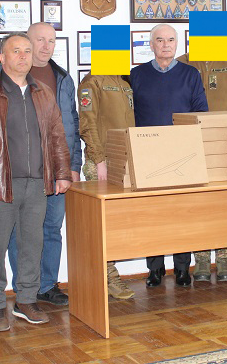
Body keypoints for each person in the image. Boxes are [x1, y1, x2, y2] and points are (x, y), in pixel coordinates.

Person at [0, 33, 72, 331]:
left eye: (27, 51)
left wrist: (62, 173)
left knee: (32, 245)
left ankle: (26, 300)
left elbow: (57, 136)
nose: (23, 56)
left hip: (37, 184)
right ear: (2, 57)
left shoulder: (43, 93)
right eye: (16, 51)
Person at [0, 22, 82, 306]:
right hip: (23, 170)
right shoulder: (2, 78)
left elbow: (72, 123)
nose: (46, 46)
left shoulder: (63, 78)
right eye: (39, 40)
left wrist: (73, 165)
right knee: (20, 232)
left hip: (57, 169)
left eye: (51, 41)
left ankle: (47, 285)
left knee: (52, 229)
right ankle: (25, 289)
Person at [130, 24, 209, 287]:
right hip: (148, 155)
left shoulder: (190, 74)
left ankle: (183, 268)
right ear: (151, 44)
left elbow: (201, 113)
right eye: (160, 40)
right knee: (151, 214)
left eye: (171, 40)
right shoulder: (136, 75)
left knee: (181, 213)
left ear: (178, 43)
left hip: (182, 154)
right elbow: (130, 115)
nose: (166, 45)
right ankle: (155, 269)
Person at [176, 50, 227, 282]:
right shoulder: (183, 62)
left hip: (225, 140)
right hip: (194, 142)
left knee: (225, 203)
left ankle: (225, 257)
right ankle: (202, 259)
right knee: (198, 204)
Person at [78, 73, 136, 299]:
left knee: (118, 225)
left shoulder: (124, 80)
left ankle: (106, 276)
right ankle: (108, 279)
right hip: (102, 164)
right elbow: (87, 123)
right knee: (101, 225)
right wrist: (98, 160)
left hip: (124, 161)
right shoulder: (92, 82)